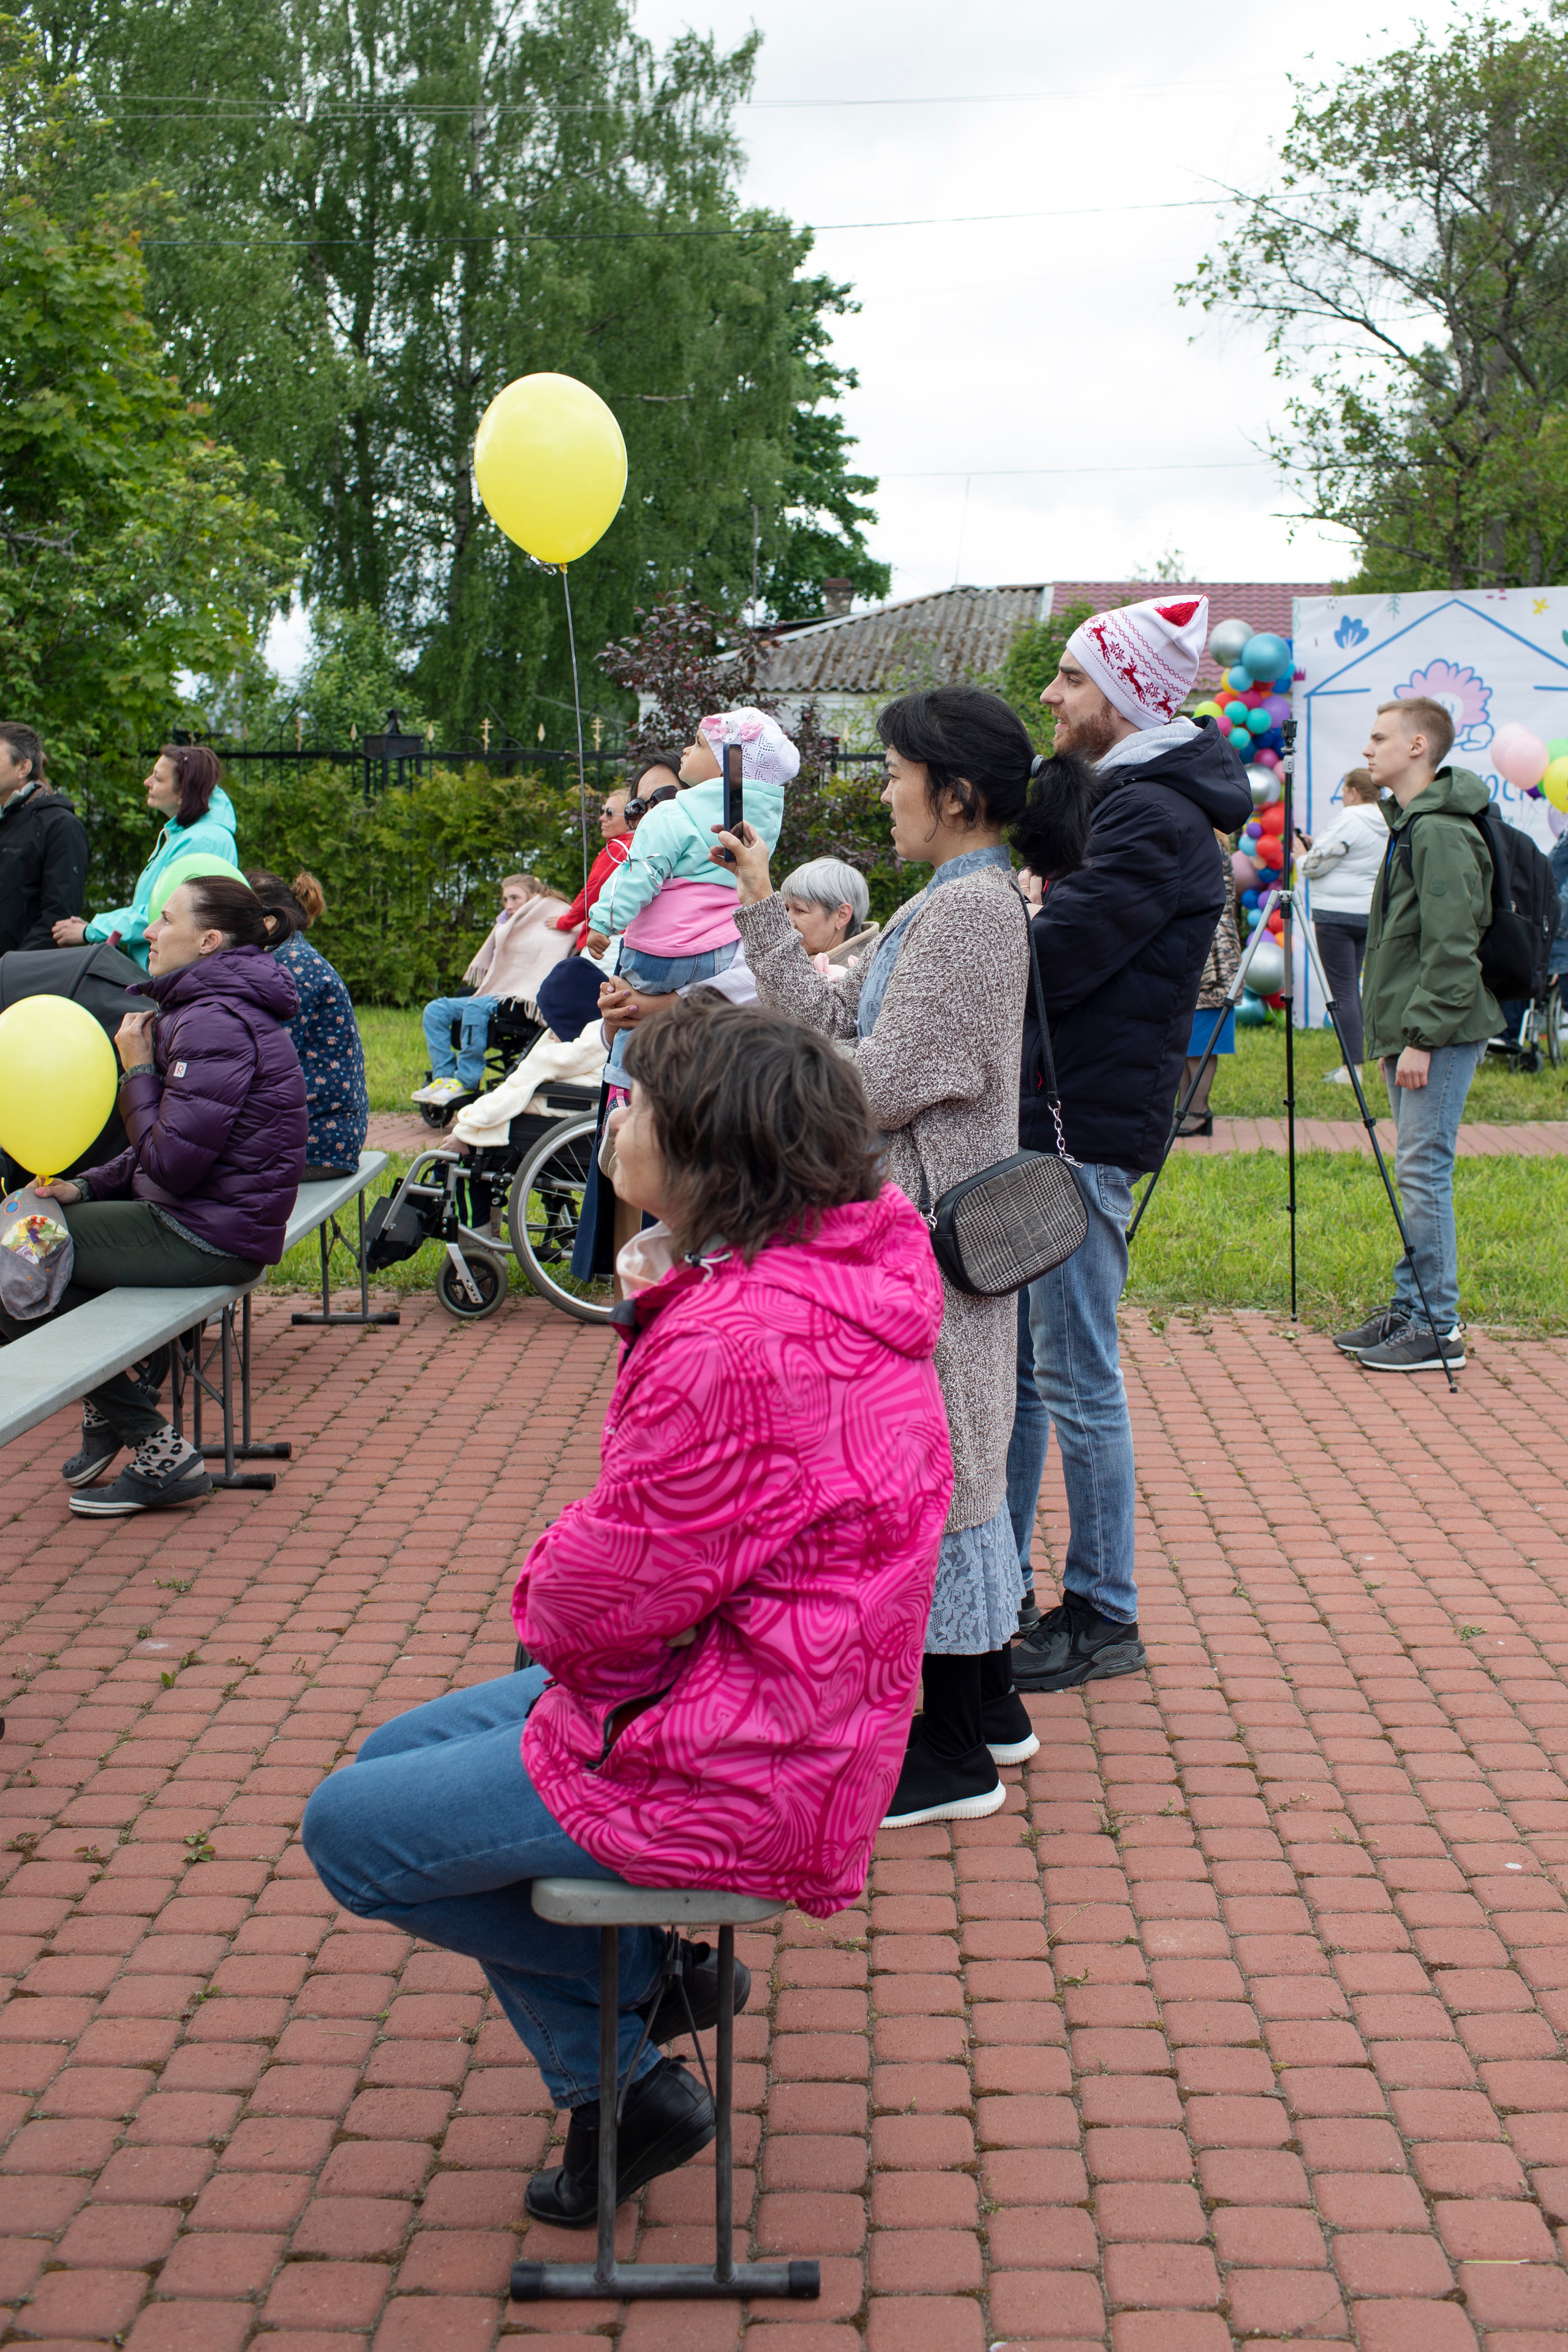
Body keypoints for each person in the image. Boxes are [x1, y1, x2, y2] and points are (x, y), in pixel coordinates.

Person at [301, 995, 952, 2227]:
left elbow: (593, 1598)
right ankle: (642, 2015)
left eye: (638, 1102)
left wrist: (545, 1582)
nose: (617, 1118)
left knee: (353, 1830)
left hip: (732, 1751)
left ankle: (633, 2041)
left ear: (712, 1150)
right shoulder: (831, 1271)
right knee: (397, 1762)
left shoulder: (741, 1339)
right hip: (773, 1707)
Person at [725, 685, 1038, 1828]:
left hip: (930, 1238)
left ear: (955, 792)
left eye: (900, 770)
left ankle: (954, 1754)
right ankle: (992, 1707)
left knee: (945, 1470)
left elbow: (881, 1078)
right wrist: (763, 902)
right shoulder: (950, 900)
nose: (888, 790)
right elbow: (835, 1024)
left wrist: (753, 1080)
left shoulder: (966, 914)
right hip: (932, 1231)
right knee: (961, 1456)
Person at [1006, 594, 1253, 1691]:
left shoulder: (1150, 819)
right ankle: (998, 1583)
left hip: (1082, 1127)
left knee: (1073, 1378)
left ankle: (1104, 1612)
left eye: (1067, 680)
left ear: (1120, 695)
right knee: (1025, 1375)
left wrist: (1013, 916)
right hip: (1063, 1114)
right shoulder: (1132, 802)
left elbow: (1052, 963)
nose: (1051, 698)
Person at [10, 874, 307, 1515]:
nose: (149, 929)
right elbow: (169, 1147)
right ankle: (114, 1416)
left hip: (205, 1234)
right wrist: (84, 1185)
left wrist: (137, 1069)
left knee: (14, 1259)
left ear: (207, 940)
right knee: (45, 1251)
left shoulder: (213, 1023)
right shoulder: (213, 1010)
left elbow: (171, 1165)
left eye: (164, 919)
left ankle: (156, 1449)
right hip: (207, 1222)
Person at [1333, 696, 1496, 1374]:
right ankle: (1413, 1305)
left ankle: (1437, 1325)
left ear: (1419, 746)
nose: (1368, 750)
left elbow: (1453, 947)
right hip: (1417, 1028)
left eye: (1379, 738)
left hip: (1442, 1031)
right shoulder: (1414, 823)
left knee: (1423, 1173)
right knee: (1416, 1172)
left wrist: (1422, 1038)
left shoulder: (1438, 832)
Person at [582, 709, 796, 1094]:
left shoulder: (673, 821)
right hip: (709, 959)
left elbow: (757, 981)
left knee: (627, 1054)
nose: (648, 813)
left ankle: (621, 1087)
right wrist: (617, 1015)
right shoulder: (752, 838)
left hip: (664, 969)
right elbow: (613, 1030)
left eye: (662, 798)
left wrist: (604, 922)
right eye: (637, 807)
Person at [52, 745, 237, 970]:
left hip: (169, 978)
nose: (147, 782)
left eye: (158, 778)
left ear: (183, 792)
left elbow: (166, 915)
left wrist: (91, 930)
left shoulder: (203, 840)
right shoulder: (188, 834)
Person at [246, 870, 369, 1180]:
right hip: (322, 1135)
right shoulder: (288, 958)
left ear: (268, 921)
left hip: (318, 1144)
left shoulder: (290, 969)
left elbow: (261, 1062)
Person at [413, 873, 570, 1109]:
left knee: (477, 1006)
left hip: (522, 1000)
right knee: (435, 1010)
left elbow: (564, 944)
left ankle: (466, 1081)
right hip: (496, 994)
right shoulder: (508, 924)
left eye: (515, 898)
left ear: (534, 896)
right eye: (505, 899)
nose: (508, 905)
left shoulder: (553, 916)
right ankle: (444, 1077)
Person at [1294, 766, 1385, 1079]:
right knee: (1354, 990)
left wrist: (1301, 857)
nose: (1343, 797)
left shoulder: (1349, 819)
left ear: (1354, 793)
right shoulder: (1387, 820)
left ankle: (1352, 1069)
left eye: (1345, 791)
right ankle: (1358, 1061)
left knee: (1342, 991)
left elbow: (1315, 867)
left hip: (1335, 915)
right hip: (1367, 911)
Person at [0, 723, 89, 955]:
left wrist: (9, 970)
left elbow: (58, 920)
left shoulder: (61, 826)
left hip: (19, 979)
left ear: (23, 768)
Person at [1176, 832, 1243, 1137]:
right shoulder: (1214, 841)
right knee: (1187, 1042)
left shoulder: (1207, 843)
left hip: (1213, 951)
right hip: (1206, 945)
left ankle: (1198, 1110)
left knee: (1202, 1042)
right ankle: (1186, 1109)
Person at [554, 782, 638, 952]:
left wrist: (565, 921)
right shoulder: (640, 843)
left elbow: (593, 891)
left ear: (632, 817)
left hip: (607, 940)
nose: (602, 818)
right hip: (628, 934)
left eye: (609, 813)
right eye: (603, 811)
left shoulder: (618, 848)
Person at [778, 856, 879, 977]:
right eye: (787, 909)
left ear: (841, 916)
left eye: (800, 910)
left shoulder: (870, 974)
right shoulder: (788, 957)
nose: (787, 921)